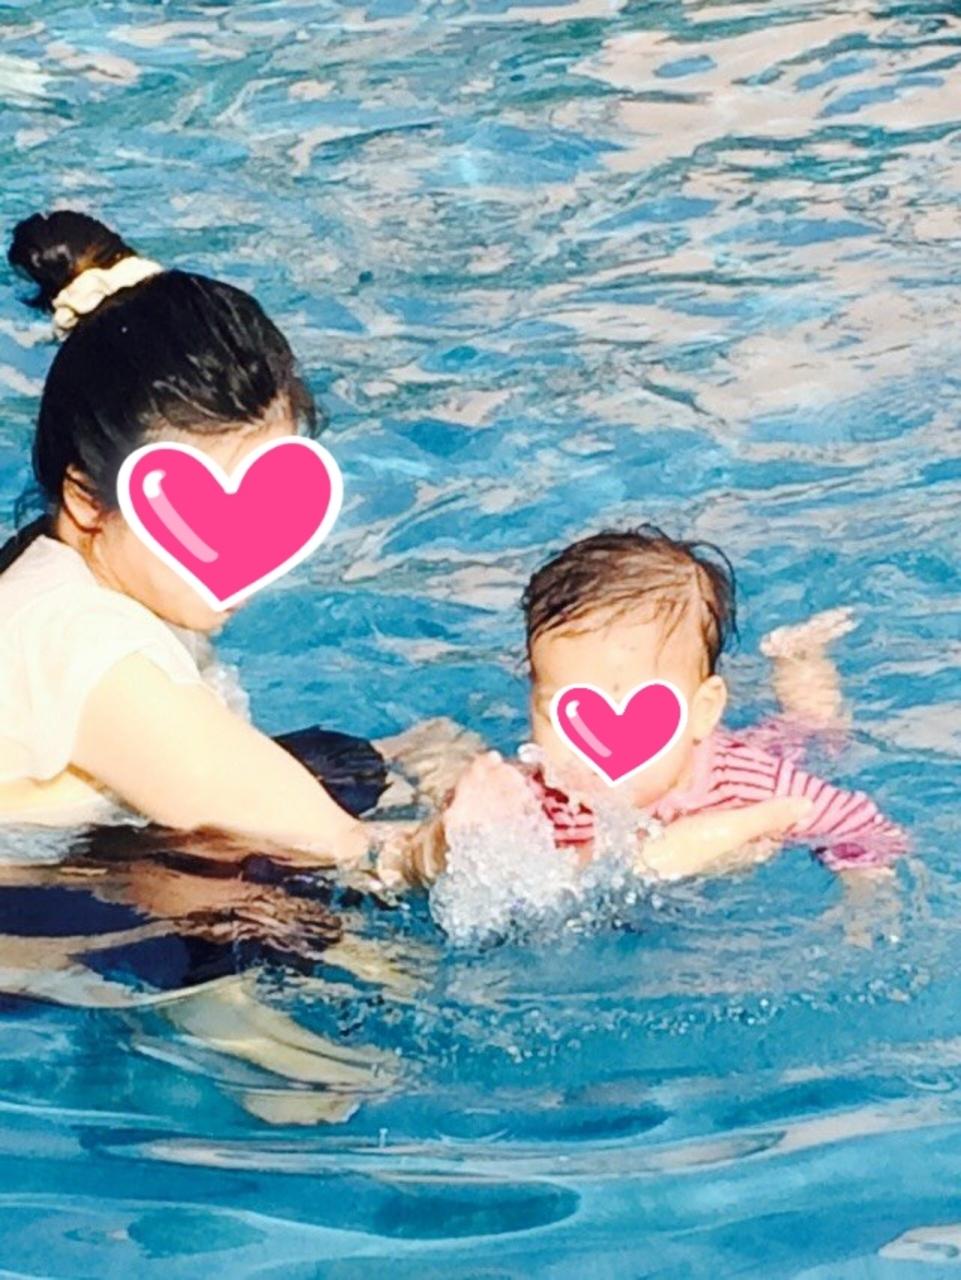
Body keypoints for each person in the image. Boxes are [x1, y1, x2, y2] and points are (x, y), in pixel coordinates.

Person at [0, 210, 384, 865]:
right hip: (38, 904)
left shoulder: (82, 576)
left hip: (69, 851)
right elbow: (347, 850)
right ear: (87, 500)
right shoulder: (82, 640)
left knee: (359, 764)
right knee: (262, 893)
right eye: (192, 513)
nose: (243, 550)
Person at [386, 527, 906, 887]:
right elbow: (408, 863)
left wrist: (863, 897)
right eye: (564, 713)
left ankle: (799, 658)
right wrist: (443, 846)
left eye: (632, 710)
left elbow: (864, 825)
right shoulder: (541, 795)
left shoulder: (751, 785)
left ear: (702, 711)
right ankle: (428, 740)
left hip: (750, 755)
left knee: (812, 730)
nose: (590, 754)